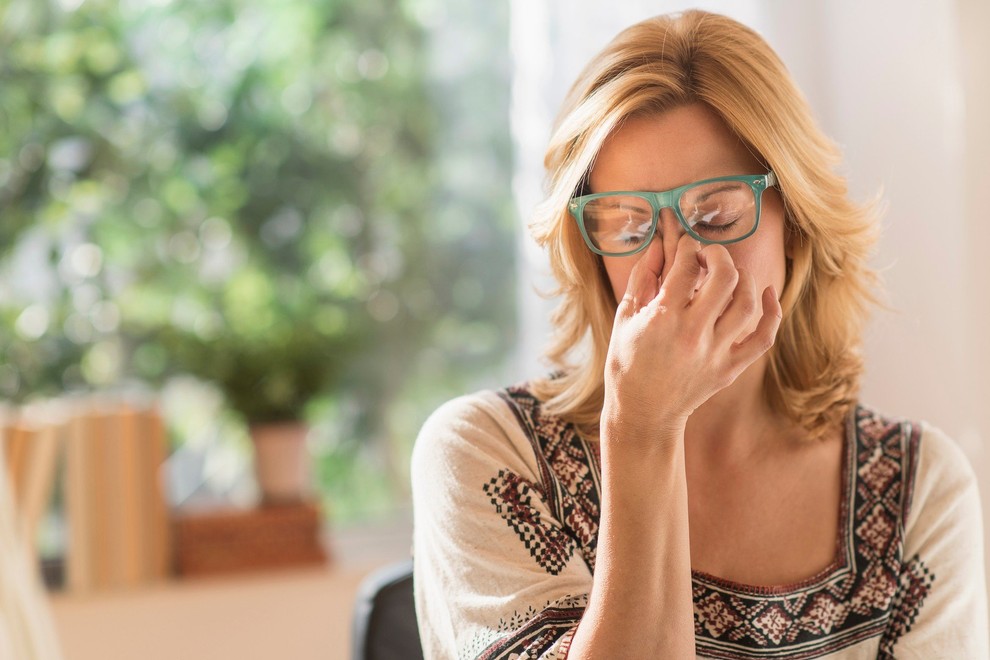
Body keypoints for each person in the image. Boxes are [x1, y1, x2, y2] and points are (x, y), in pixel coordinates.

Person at [411, 9, 988, 659]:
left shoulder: (918, 492)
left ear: (795, 221)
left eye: (714, 214)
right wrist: (643, 431)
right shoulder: (489, 458)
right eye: (628, 226)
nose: (674, 263)